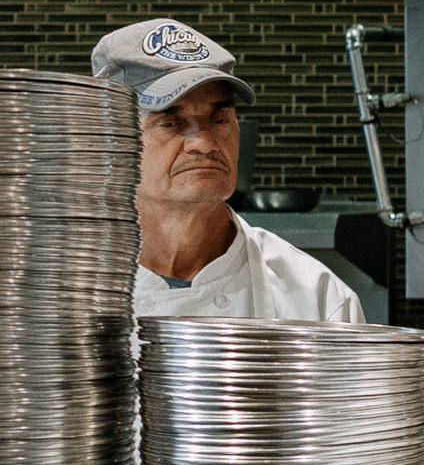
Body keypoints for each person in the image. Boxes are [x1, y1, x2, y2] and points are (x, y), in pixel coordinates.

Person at [90, 19, 356, 324]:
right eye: (170, 123)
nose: (204, 143)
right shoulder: (56, 293)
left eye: (219, 119)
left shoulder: (319, 301)